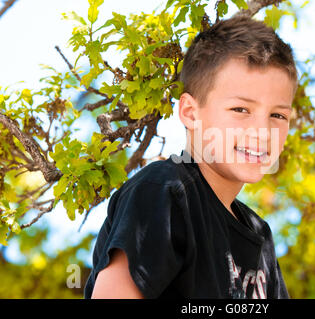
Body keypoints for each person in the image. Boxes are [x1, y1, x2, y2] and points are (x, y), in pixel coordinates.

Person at [84, 14, 298, 299]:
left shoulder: (259, 235)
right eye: (240, 110)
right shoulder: (165, 192)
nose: (262, 132)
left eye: (277, 115)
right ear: (190, 113)